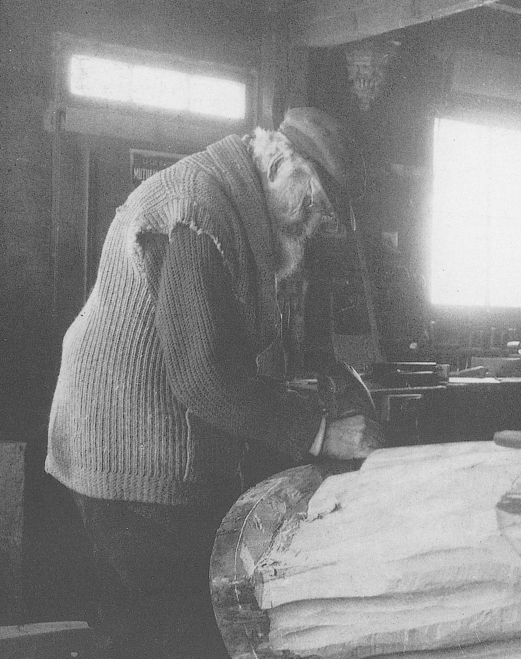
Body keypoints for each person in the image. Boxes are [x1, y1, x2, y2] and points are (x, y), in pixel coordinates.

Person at [46, 107, 379, 659]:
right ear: (280, 163)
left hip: (128, 444)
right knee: (182, 630)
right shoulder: (200, 210)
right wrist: (321, 431)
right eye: (313, 199)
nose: (311, 220)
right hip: (128, 458)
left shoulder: (237, 205)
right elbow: (202, 380)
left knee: (160, 624)